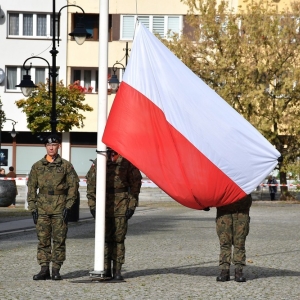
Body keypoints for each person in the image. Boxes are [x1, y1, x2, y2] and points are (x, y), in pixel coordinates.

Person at [27, 134, 79, 281]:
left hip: (59, 207)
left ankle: (56, 269)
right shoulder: (37, 166)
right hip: (42, 208)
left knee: (59, 239)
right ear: (45, 147)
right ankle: (44, 269)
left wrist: (68, 206)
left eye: (54, 145)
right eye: (48, 145)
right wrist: (33, 208)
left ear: (59, 146)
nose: (51, 147)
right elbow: (31, 188)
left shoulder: (66, 165)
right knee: (43, 240)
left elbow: (73, 186)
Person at [86, 148, 142, 280]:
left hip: (121, 204)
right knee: (104, 239)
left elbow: (136, 184)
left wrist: (132, 205)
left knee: (118, 239)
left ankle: (117, 270)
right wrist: (92, 205)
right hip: (102, 205)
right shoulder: (99, 161)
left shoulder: (126, 162)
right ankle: (105, 268)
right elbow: (91, 185)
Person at [216, 194, 252, 283]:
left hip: (241, 210)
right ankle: (224, 270)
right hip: (223, 210)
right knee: (224, 242)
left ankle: (238, 270)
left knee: (239, 242)